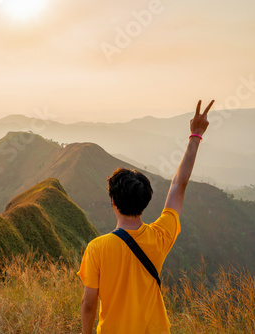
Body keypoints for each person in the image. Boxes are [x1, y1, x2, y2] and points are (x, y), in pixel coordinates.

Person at [78, 100, 215, 334]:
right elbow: (178, 185)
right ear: (146, 201)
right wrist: (195, 136)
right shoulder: (160, 236)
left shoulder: (97, 248)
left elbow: (89, 303)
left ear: (113, 202)